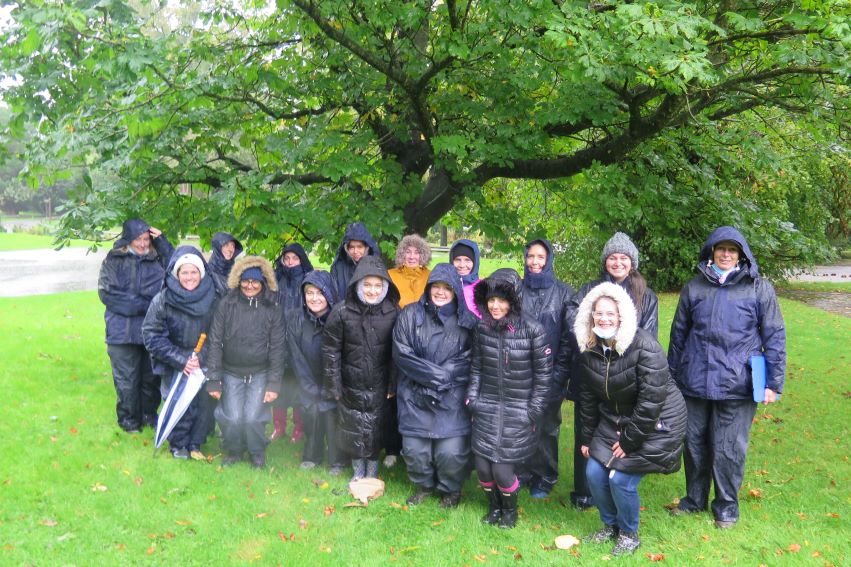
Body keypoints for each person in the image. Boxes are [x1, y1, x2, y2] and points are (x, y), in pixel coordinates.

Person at [668, 226, 786, 529]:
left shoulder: (759, 289)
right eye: (720, 249)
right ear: (710, 252)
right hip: (694, 381)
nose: (725, 254)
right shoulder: (693, 288)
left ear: (741, 255)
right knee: (693, 444)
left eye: (732, 250)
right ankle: (694, 500)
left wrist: (773, 382)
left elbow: (774, 335)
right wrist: (670, 378)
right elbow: (678, 335)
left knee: (728, 448)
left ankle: (726, 508)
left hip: (738, 384)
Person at [574, 282, 686, 556]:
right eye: (598, 313)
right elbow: (588, 399)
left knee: (620, 479)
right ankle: (610, 526)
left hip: (660, 421)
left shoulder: (644, 345)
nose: (604, 318)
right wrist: (587, 438)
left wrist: (630, 441)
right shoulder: (590, 349)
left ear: (622, 316)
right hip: (617, 419)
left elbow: (652, 401)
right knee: (593, 472)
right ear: (590, 316)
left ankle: (629, 533)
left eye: (610, 314)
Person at [567, 231, 659, 509]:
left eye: (624, 258)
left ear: (632, 262)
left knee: (619, 428)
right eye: (612, 257)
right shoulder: (590, 289)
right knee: (588, 427)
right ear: (605, 261)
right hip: (594, 368)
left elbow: (649, 333)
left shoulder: (646, 295)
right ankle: (584, 491)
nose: (618, 263)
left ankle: (614, 483)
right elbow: (577, 322)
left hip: (627, 370)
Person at [466, 269, 551, 529]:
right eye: (491, 300)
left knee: (502, 470)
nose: (495, 306)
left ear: (512, 301)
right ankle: (494, 508)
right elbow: (476, 368)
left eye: (501, 300)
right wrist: (472, 400)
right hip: (487, 408)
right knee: (482, 466)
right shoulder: (482, 328)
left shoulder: (533, 330)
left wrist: (531, 412)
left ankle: (510, 512)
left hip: (518, 411)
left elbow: (543, 377)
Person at [392, 263, 477, 508]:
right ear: (428, 288)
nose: (440, 292)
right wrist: (436, 378)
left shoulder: (467, 322)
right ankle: (424, 485)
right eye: (436, 287)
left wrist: (441, 380)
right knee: (415, 450)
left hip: (451, 398)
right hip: (414, 395)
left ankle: (451, 490)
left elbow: (469, 360)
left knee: (450, 453)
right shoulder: (409, 314)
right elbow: (403, 354)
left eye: (446, 288)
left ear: (455, 291)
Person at [323, 256, 400, 481]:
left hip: (380, 384)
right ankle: (358, 471)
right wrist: (334, 385)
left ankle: (372, 472)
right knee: (353, 427)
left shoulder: (393, 313)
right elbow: (330, 351)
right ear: (358, 285)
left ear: (385, 287)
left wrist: (392, 384)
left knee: (376, 428)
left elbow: (398, 354)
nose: (372, 291)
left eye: (378, 286)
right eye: (367, 285)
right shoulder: (341, 312)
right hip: (350, 383)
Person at [205, 256, 286, 469]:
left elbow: (278, 348)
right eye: (246, 281)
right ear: (238, 281)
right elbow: (214, 342)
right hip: (231, 371)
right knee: (232, 417)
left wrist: (274, 383)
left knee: (252, 417)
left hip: (259, 372)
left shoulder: (273, 309)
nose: (250, 285)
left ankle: (257, 451)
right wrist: (214, 379)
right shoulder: (226, 305)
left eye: (255, 281)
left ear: (263, 283)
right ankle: (234, 450)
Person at [142, 246, 221, 460]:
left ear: (201, 273)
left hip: (201, 358)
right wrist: (180, 360)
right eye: (184, 272)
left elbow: (217, 333)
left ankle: (196, 442)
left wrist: (200, 357)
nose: (189, 277)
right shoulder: (163, 300)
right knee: (178, 402)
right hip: (172, 360)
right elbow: (151, 335)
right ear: (177, 274)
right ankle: (178, 444)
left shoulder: (213, 298)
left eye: (194, 272)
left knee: (203, 403)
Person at [98, 218, 174, 433]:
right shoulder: (114, 260)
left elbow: (177, 266)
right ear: (128, 239)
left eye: (146, 239)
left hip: (152, 333)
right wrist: (146, 304)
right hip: (121, 333)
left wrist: (162, 242)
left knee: (150, 379)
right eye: (138, 239)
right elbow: (108, 294)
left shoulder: (157, 259)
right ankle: (129, 420)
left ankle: (149, 416)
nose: (142, 244)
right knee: (127, 381)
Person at [517, 239, 576, 498]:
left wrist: (559, 376)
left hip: (551, 372)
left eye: (540, 257)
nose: (535, 262)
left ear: (549, 259)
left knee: (547, 427)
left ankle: (545, 476)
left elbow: (567, 339)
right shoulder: (516, 290)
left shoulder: (564, 292)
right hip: (519, 372)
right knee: (520, 424)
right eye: (531, 256)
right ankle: (521, 472)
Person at [285, 270, 346, 475]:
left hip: (335, 381)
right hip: (307, 379)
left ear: (329, 295)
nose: (314, 298)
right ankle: (312, 455)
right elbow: (296, 356)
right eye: (309, 293)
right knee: (311, 415)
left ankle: (337, 460)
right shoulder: (295, 319)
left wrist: (332, 385)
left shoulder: (340, 318)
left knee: (332, 418)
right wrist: (309, 386)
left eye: (320, 293)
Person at [271, 243, 315, 443]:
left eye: (294, 258)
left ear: (301, 259)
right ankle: (279, 426)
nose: (290, 263)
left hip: (300, 337)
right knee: (277, 384)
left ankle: (299, 427)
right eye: (286, 259)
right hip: (278, 337)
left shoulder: (308, 279)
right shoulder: (276, 279)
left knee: (298, 385)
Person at [329, 222, 380, 300]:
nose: (355, 251)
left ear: (366, 247)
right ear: (346, 248)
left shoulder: (376, 267)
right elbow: (333, 294)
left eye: (359, 247)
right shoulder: (337, 268)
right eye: (352, 247)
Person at [387, 234, 432, 308]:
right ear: (402, 254)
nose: (412, 257)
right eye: (408, 252)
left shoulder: (430, 276)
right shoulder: (390, 275)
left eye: (417, 252)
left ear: (423, 255)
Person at [449, 239, 481, 318]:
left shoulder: (483, 288)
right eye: (458, 260)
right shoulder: (445, 285)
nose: (462, 265)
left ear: (475, 262)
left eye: (467, 260)